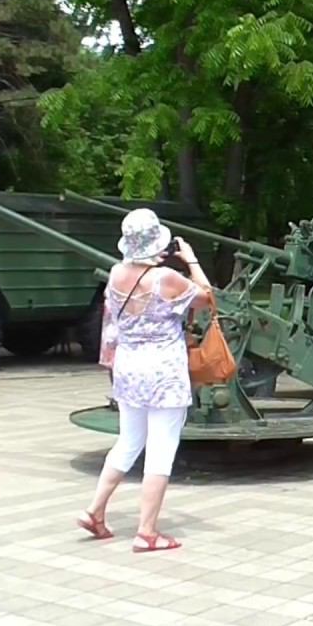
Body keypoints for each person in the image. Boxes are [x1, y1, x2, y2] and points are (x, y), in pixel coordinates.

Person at [78, 207, 213, 553]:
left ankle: (95, 511)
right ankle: (147, 531)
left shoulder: (115, 273)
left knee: (128, 441)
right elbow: (207, 298)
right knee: (161, 450)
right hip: (163, 371)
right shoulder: (165, 278)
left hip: (128, 367)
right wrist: (193, 260)